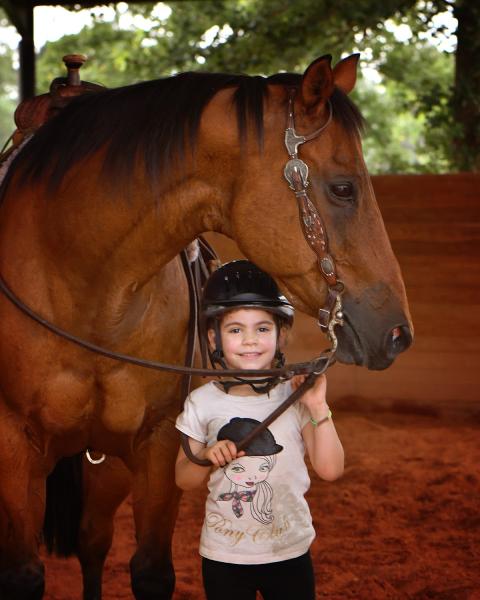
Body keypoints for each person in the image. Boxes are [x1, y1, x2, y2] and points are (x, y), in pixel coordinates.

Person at [175, 260, 344, 600]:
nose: (250, 341)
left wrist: (316, 406)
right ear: (213, 337)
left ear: (282, 335)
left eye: (262, 329)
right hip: (224, 556)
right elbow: (183, 479)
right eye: (235, 330)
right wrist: (207, 455)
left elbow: (331, 469)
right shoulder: (201, 403)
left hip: (289, 553)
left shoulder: (296, 397)